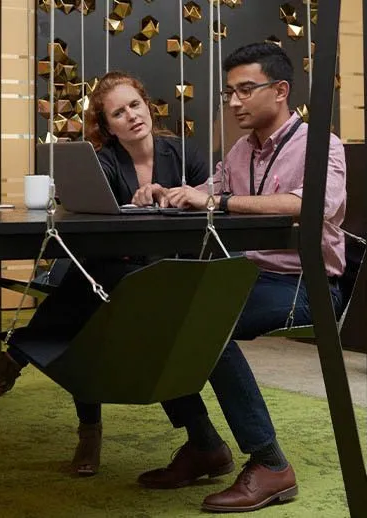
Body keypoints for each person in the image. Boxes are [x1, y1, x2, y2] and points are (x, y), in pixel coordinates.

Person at [0, 71, 233, 478]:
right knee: (98, 303)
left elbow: (210, 206)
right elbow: (92, 225)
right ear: (108, 126)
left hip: (176, 271)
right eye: (118, 113)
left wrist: (167, 200)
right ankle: (196, 442)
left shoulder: (184, 154)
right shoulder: (104, 162)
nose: (131, 116)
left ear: (147, 106)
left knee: (93, 293)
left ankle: (18, 366)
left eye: (135, 105)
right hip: (122, 274)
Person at [135, 42, 346, 513]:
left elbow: (310, 205)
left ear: (281, 90)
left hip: (305, 286)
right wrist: (169, 193)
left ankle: (271, 465)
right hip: (249, 276)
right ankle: (204, 445)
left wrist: (221, 201)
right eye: (229, 92)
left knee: (207, 323)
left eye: (245, 90)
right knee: (161, 312)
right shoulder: (239, 151)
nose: (234, 102)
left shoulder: (320, 145)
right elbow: (206, 191)